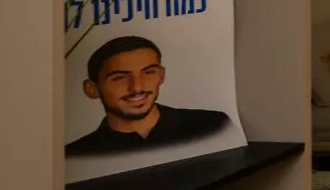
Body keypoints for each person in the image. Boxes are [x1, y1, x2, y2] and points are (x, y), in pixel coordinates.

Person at [66, 35, 232, 155]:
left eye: (148, 72)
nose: (137, 88)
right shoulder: (76, 155)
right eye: (119, 77)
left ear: (161, 75)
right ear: (92, 89)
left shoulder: (214, 126)